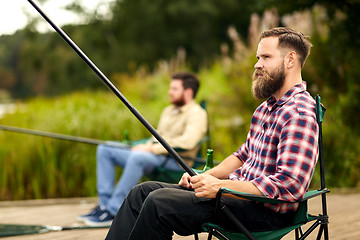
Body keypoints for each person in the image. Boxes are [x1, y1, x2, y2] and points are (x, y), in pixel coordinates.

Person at [105, 27, 320, 240]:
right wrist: (204, 177)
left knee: (158, 202)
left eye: (265, 57)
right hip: (235, 196)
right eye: (257, 57)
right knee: (141, 193)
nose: (257, 64)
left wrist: (219, 186)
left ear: (290, 59)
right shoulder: (266, 108)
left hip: (266, 211)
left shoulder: (298, 112)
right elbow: (242, 156)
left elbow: (290, 185)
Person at [78, 72, 208, 227]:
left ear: (188, 92)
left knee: (137, 157)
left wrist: (151, 149)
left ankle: (114, 210)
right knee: (105, 148)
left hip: (177, 162)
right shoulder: (168, 111)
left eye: (174, 88)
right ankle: (104, 205)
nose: (169, 92)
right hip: (154, 155)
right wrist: (141, 145)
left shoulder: (197, 113)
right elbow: (155, 138)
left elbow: (188, 142)